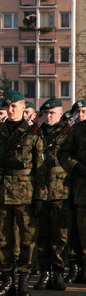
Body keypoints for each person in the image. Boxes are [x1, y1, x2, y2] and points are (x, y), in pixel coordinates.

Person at [0, 91, 47, 296]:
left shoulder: (33, 132)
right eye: (7, 106)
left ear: (23, 106)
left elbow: (41, 168)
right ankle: (7, 280)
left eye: (14, 106)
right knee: (0, 238)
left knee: (28, 239)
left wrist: (41, 196)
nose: (10, 110)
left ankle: (23, 280)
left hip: (25, 193)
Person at [33, 98, 71, 291]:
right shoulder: (35, 132)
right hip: (38, 191)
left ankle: (58, 274)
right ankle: (44, 273)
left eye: (53, 113)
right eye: (46, 113)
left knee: (60, 237)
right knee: (41, 236)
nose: (49, 117)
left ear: (61, 112)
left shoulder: (68, 132)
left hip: (61, 192)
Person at [58, 100, 86, 284]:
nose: (82, 114)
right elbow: (63, 153)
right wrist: (75, 167)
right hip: (83, 193)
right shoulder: (79, 130)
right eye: (80, 111)